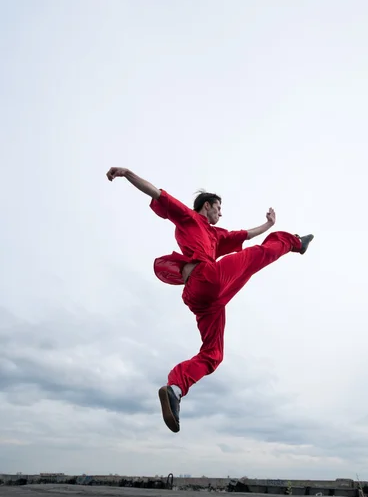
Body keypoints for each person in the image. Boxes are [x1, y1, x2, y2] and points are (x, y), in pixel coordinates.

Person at [106, 167, 314, 433]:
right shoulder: (189, 218)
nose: (221, 213)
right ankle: (295, 242)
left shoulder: (217, 236)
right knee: (258, 256)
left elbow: (246, 234)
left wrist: (268, 225)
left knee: (213, 355)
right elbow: (156, 193)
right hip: (208, 278)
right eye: (218, 207)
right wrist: (126, 173)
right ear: (207, 206)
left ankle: (175, 388)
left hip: (201, 299)